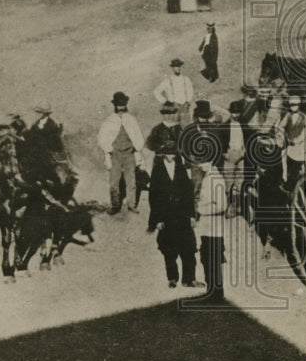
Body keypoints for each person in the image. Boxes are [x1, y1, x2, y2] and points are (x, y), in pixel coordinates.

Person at [148, 140, 202, 289]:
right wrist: (157, 220)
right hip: (166, 215)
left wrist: (191, 216)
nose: (171, 156)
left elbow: (188, 193)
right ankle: (172, 278)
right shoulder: (157, 170)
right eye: (168, 153)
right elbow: (153, 196)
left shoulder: (181, 168)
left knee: (188, 248)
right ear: (163, 154)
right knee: (169, 250)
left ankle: (189, 279)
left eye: (173, 153)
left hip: (182, 215)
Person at [97, 91, 145, 215]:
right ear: (115, 105)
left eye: (123, 104)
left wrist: (137, 148)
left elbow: (139, 137)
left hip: (129, 153)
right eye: (118, 104)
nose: (121, 107)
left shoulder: (131, 119)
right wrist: (109, 149)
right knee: (114, 182)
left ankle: (132, 205)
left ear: (126, 104)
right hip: (115, 154)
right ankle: (115, 205)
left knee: (131, 181)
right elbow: (101, 138)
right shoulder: (109, 120)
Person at [195, 164, 228, 301]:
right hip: (207, 228)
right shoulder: (207, 176)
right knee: (207, 259)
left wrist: (202, 210)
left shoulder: (216, 178)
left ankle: (216, 294)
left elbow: (221, 205)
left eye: (202, 161)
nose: (199, 164)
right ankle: (211, 291)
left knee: (213, 261)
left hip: (214, 229)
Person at [275, 94, 306, 193]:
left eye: (295, 105)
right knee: (285, 158)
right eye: (291, 105)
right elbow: (280, 127)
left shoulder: (303, 117)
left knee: (302, 157)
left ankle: (299, 180)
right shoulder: (288, 115)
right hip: (291, 143)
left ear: (299, 105)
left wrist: (299, 139)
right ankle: (286, 179)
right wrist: (282, 134)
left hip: (300, 143)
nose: (293, 107)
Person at [217, 100, 253, 216]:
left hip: (241, 156)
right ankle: (229, 206)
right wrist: (224, 154)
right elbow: (220, 143)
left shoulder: (244, 125)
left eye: (238, 113)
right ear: (230, 112)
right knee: (228, 183)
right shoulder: (224, 127)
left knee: (239, 182)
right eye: (234, 112)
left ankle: (237, 207)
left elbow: (249, 137)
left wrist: (245, 151)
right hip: (229, 156)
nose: (236, 115)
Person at [154, 58, 195, 126]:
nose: (178, 68)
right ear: (172, 68)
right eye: (175, 66)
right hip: (173, 109)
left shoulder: (186, 79)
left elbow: (191, 91)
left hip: (184, 109)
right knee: (174, 128)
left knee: (185, 128)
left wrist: (188, 102)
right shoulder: (167, 80)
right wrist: (167, 102)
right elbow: (156, 92)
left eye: (179, 66)